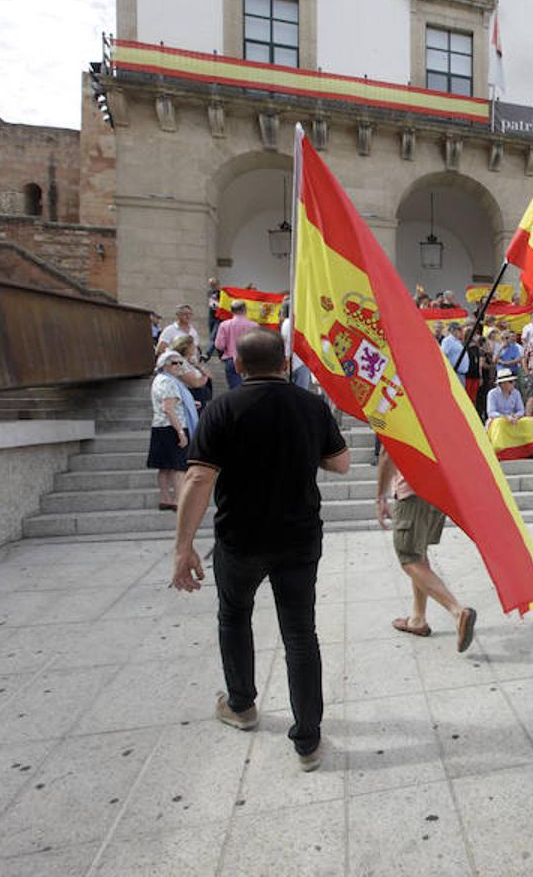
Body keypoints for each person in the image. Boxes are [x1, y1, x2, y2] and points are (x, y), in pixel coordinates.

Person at [170, 328, 349, 773]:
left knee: (234, 617)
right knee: (300, 635)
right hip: (299, 539)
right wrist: (307, 447)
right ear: (285, 364)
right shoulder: (311, 405)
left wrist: (182, 547)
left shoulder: (221, 408)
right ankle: (308, 741)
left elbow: (198, 478)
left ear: (240, 366)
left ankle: (242, 705)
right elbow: (341, 462)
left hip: (241, 539)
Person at [376, 453, 477, 651]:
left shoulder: (398, 419)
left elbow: (388, 455)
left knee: (408, 559)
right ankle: (417, 619)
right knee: (418, 553)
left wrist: (380, 496)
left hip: (413, 492)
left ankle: (458, 612)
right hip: (438, 489)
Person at [148, 351, 197, 511]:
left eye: (180, 363)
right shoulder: (168, 382)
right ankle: (179, 500)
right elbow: (168, 407)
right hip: (173, 427)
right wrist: (181, 433)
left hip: (161, 427)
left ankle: (165, 498)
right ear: (164, 365)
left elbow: (170, 404)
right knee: (179, 467)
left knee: (165, 466)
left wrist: (188, 404)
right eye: (174, 363)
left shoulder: (161, 380)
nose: (178, 366)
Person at [213, 299, 259, 390]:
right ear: (245, 310)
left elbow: (219, 345)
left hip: (231, 359)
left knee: (235, 389)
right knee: (252, 388)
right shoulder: (254, 325)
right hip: (250, 359)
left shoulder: (224, 325)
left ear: (232, 310)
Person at [170, 335, 212, 411]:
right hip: (193, 395)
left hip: (200, 395)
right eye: (192, 344)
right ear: (186, 347)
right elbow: (195, 383)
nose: (195, 346)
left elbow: (209, 374)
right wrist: (205, 377)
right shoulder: (180, 362)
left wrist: (197, 366)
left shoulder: (190, 360)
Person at [278, 301, 311, 390]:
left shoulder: (289, 322)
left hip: (296, 360)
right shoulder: (290, 322)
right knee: (301, 391)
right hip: (298, 361)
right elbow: (287, 342)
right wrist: (287, 358)